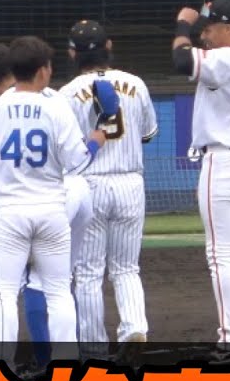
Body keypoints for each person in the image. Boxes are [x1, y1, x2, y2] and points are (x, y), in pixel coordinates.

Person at [0, 36, 108, 364]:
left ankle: (1, 368)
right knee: (58, 292)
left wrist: (5, 174)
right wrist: (96, 141)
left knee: (3, 295)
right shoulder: (57, 107)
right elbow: (78, 163)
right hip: (52, 211)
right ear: (42, 71)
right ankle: (66, 367)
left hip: (9, 213)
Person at [59, 20, 157, 357]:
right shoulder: (136, 84)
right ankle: (134, 329)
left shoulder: (67, 93)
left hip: (89, 185)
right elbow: (148, 135)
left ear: (72, 53)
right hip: (130, 183)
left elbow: (66, 148)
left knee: (88, 272)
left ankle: (93, 346)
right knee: (127, 267)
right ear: (109, 46)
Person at [172, 0, 230, 352]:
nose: (204, 36)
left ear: (229, 27)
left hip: (226, 161)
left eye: (209, 29)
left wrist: (183, 25)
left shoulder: (229, 58)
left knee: (221, 255)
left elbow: (182, 60)